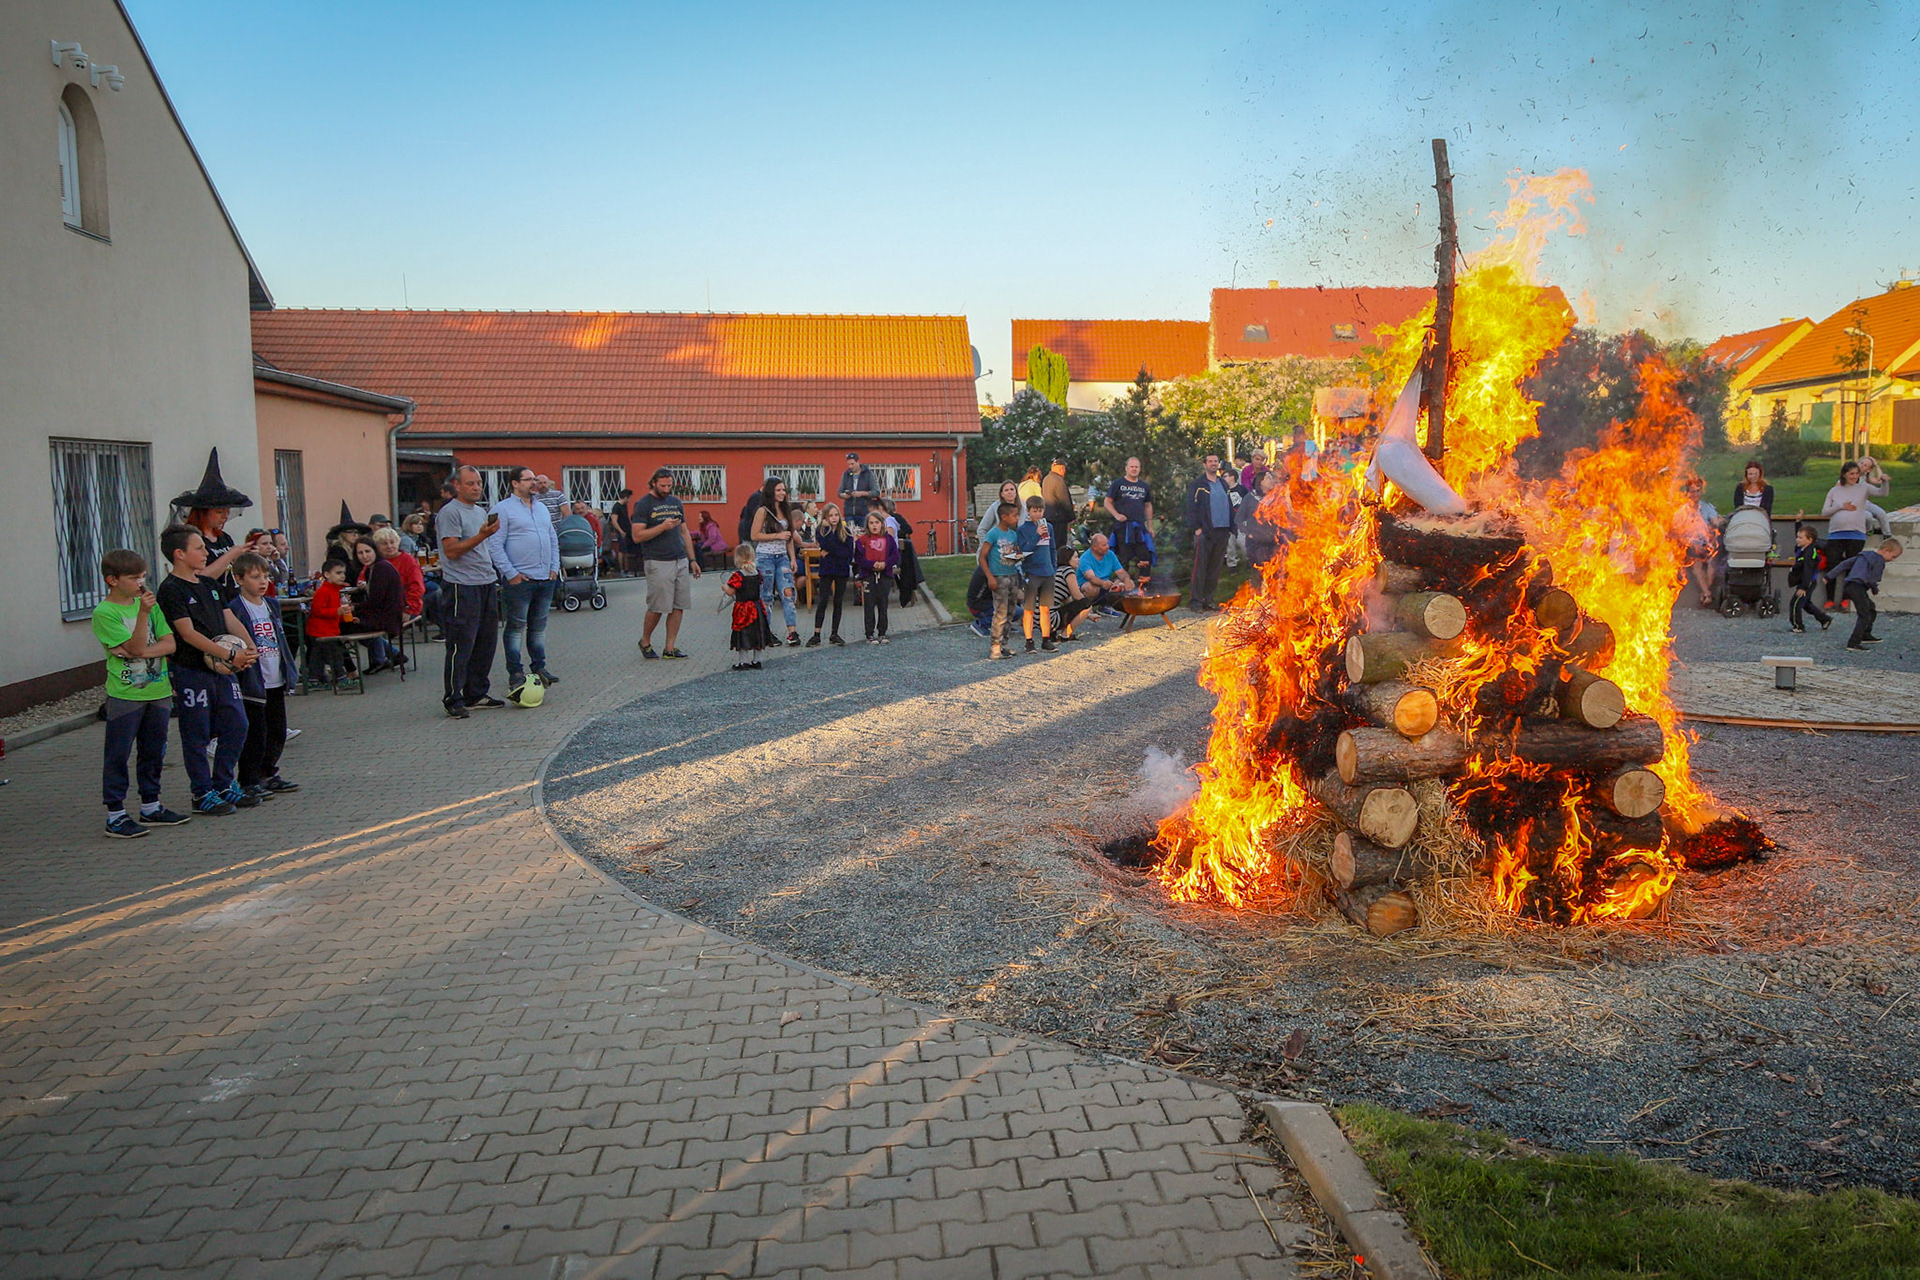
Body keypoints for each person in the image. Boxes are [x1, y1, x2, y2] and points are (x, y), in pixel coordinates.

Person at [155, 523, 258, 816]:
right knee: (196, 733)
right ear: (179, 553)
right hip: (191, 671)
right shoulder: (171, 590)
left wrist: (250, 647)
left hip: (223, 670)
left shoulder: (210, 584)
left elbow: (229, 619)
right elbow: (187, 633)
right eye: (199, 548)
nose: (205, 553)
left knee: (238, 724)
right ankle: (201, 793)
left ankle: (224, 784)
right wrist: (229, 654)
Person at [92, 548, 189, 837]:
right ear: (112, 580)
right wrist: (142, 622)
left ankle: (151, 805)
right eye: (134, 578)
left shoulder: (149, 605)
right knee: (118, 753)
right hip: (126, 694)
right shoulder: (105, 612)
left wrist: (140, 650)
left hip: (157, 690)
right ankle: (115, 814)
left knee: (153, 751)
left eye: (143, 577)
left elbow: (170, 644)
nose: (141, 584)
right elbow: (135, 647)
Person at [436, 466, 505, 718]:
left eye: (478, 483)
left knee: (486, 642)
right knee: (461, 643)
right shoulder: (450, 513)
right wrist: (481, 536)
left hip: (485, 581)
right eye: (470, 483)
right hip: (461, 585)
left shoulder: (479, 511)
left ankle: (476, 692)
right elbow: (452, 551)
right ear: (456, 485)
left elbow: (482, 546)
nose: (476, 488)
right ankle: (453, 698)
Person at [489, 466, 564, 693]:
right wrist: (510, 573)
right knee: (515, 627)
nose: (534, 483)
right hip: (520, 580)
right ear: (515, 483)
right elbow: (494, 545)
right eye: (528, 479)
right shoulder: (502, 509)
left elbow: (552, 538)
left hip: (545, 577)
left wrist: (554, 567)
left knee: (538, 627)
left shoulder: (541, 508)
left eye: (534, 479)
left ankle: (539, 667)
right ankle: (515, 672)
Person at [231, 552, 299, 800]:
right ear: (239, 579)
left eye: (265, 576)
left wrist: (289, 670)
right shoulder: (236, 608)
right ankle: (249, 779)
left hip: (275, 676)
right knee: (255, 733)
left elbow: (280, 640)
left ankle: (268, 772)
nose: (262, 581)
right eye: (255, 577)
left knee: (277, 730)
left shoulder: (271, 605)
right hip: (252, 680)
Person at [171, 448, 261, 600]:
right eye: (219, 512)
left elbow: (235, 570)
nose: (224, 517)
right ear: (203, 512)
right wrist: (230, 554)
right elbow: (198, 578)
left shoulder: (224, 538)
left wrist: (246, 555)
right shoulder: (192, 540)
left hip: (232, 600)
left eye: (227, 512)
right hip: (209, 601)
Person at [631, 466, 702, 658]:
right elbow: (637, 536)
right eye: (663, 486)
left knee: (679, 605)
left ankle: (670, 648)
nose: (666, 489)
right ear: (654, 483)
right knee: (658, 607)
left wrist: (692, 559)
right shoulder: (643, 504)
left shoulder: (675, 502)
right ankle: (645, 641)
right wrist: (662, 527)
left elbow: (684, 532)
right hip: (657, 560)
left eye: (669, 485)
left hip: (679, 558)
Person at [1821, 458, 1890, 609]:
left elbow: (1882, 493)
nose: (1854, 476)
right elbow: (1825, 512)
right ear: (1844, 474)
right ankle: (1830, 599)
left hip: (1856, 534)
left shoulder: (1863, 488)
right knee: (1832, 566)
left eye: (1857, 474)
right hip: (1836, 534)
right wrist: (1841, 506)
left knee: (1851, 567)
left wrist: (1884, 481)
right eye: (1851, 474)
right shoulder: (1835, 491)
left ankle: (1846, 599)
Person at [750, 477, 803, 647]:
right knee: (766, 595)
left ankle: (792, 632)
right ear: (770, 492)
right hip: (765, 557)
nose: (782, 493)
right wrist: (777, 535)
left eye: (783, 490)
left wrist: (792, 558)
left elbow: (789, 537)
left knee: (788, 593)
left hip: (782, 557)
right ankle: (765, 632)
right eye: (778, 490)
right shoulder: (763, 511)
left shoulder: (786, 510)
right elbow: (754, 535)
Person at [1828, 538, 1904, 651]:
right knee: (1864, 615)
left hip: (1849, 585)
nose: (1892, 560)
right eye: (1893, 557)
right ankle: (1853, 643)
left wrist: (1829, 576)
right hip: (1858, 587)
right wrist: (1875, 589)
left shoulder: (1863, 555)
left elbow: (1844, 564)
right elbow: (1873, 579)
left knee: (1871, 608)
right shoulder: (1879, 561)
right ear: (1886, 550)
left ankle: (1865, 634)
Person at [1185, 453, 1235, 611]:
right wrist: (1197, 528)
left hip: (1222, 531)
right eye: (1210, 461)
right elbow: (1190, 507)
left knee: (1215, 568)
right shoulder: (1198, 484)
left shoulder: (1223, 484)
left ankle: (1208, 600)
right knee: (1200, 567)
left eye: (1216, 461)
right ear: (1205, 464)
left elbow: (1229, 505)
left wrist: (1232, 527)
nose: (1213, 464)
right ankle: (1195, 601)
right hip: (1205, 532)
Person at [970, 481, 1020, 638]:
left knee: (1014, 597)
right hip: (996, 559)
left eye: (1012, 489)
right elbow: (982, 529)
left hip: (1009, 560)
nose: (1010, 492)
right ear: (1001, 493)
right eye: (1007, 490)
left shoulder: (1020, 510)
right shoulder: (995, 512)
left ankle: (1006, 623)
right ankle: (985, 622)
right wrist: (992, 548)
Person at [977, 500, 1024, 660]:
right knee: (1000, 612)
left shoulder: (1013, 534)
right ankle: (995, 646)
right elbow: (982, 557)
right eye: (1014, 515)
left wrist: (1019, 556)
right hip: (999, 577)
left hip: (1012, 575)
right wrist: (990, 576)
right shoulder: (993, 534)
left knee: (1010, 611)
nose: (1017, 518)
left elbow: (1014, 554)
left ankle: (1004, 643)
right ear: (1004, 517)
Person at [352, 538, 406, 673]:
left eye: (367, 551)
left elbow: (376, 600)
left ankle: (347, 670)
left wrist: (355, 607)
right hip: (384, 613)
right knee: (348, 621)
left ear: (375, 551)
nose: (364, 556)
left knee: (344, 625)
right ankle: (391, 655)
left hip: (388, 617)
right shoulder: (372, 568)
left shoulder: (381, 568)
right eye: (360, 553)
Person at [720, 542, 775, 670]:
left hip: (743, 609)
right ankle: (757, 660)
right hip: (757, 607)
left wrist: (724, 587)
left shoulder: (738, 575)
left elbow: (731, 592)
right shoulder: (757, 573)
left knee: (743, 633)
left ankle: (743, 661)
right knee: (757, 632)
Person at [1015, 495, 1058, 653]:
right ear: (1028, 511)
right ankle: (1029, 641)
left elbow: (1052, 548)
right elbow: (1024, 550)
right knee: (1029, 608)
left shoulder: (1049, 527)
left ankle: (1046, 639)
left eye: (1040, 511)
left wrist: (1053, 566)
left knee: (1045, 608)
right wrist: (1037, 534)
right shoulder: (1022, 530)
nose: (1038, 514)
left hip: (1047, 572)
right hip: (1032, 572)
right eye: (1035, 511)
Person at [808, 503, 855, 647]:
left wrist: (831, 552)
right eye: (830, 516)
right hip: (827, 569)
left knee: (838, 601)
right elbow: (826, 544)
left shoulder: (846, 531)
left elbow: (848, 552)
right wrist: (828, 531)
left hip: (841, 569)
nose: (834, 518)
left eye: (836, 515)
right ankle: (816, 634)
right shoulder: (821, 530)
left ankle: (834, 633)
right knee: (823, 600)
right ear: (825, 518)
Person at [1104, 457, 1155, 587]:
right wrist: (1116, 515)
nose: (1134, 469)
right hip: (1123, 528)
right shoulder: (1117, 484)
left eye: (1136, 467)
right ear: (1126, 468)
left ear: (1140, 469)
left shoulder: (1144, 486)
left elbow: (1148, 505)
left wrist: (1150, 526)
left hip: (1139, 528)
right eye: (1132, 467)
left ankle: (1143, 589)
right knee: (1124, 559)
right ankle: (1123, 589)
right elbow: (1107, 502)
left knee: (1145, 557)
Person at [303, 559, 352, 688]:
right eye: (338, 573)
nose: (342, 576)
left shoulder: (335, 590)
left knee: (318, 656)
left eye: (343, 573)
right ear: (327, 574)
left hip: (327, 630)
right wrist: (337, 611)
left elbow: (333, 612)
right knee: (334, 655)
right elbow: (318, 611)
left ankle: (314, 679)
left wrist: (343, 616)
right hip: (321, 630)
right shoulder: (324, 591)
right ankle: (340, 678)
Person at [855, 509, 899, 643]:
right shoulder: (862, 540)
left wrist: (885, 564)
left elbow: (895, 556)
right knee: (869, 605)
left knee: (883, 604)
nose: (874, 525)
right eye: (871, 523)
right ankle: (869, 633)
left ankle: (882, 632)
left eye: (877, 522)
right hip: (868, 575)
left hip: (884, 575)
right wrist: (871, 564)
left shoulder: (888, 539)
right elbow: (858, 558)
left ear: (882, 524)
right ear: (867, 525)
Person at [373, 527, 426, 627]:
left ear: (398, 543)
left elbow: (417, 587)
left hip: (405, 607)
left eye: (392, 542)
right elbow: (363, 578)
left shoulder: (408, 560)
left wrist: (408, 609)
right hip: (382, 608)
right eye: (384, 543)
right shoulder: (375, 561)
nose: (389, 546)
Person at [1077, 532, 1136, 617]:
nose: (1108, 546)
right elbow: (1091, 577)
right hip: (1090, 586)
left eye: (1107, 544)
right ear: (1094, 547)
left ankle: (1106, 606)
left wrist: (1127, 580)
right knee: (1091, 587)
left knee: (1129, 583)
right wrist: (1103, 583)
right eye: (1104, 545)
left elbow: (1121, 572)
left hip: (1106, 585)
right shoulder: (1085, 558)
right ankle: (1086, 608)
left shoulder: (1110, 554)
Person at [1787, 524, 1832, 635]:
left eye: (1800, 538)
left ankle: (1798, 626)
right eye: (1797, 537)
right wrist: (1798, 523)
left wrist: (1804, 587)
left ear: (1809, 540)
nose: (1797, 539)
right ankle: (1824, 619)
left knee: (1795, 603)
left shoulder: (1809, 553)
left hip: (1807, 582)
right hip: (1803, 581)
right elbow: (1800, 534)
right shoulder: (1802, 548)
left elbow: (1808, 571)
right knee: (1806, 604)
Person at [1041, 458, 1075, 554]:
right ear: (1062, 468)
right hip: (1059, 518)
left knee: (1051, 544)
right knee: (1059, 544)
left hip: (1048, 516)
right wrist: (1072, 517)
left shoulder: (1046, 479)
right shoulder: (1058, 481)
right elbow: (1064, 501)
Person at [837, 452, 878, 527]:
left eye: (852, 464)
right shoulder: (846, 474)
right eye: (848, 464)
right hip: (849, 512)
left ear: (858, 462)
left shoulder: (868, 474)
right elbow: (839, 492)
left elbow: (876, 492)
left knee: (864, 532)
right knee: (850, 532)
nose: (850, 466)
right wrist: (843, 495)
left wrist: (862, 493)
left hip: (864, 512)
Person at [610, 488, 637, 574]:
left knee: (626, 551)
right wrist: (621, 531)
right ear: (625, 497)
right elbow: (614, 521)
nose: (629, 500)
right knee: (622, 551)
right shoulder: (616, 507)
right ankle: (622, 570)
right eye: (629, 498)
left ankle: (627, 569)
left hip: (627, 531)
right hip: (622, 532)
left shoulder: (624, 506)